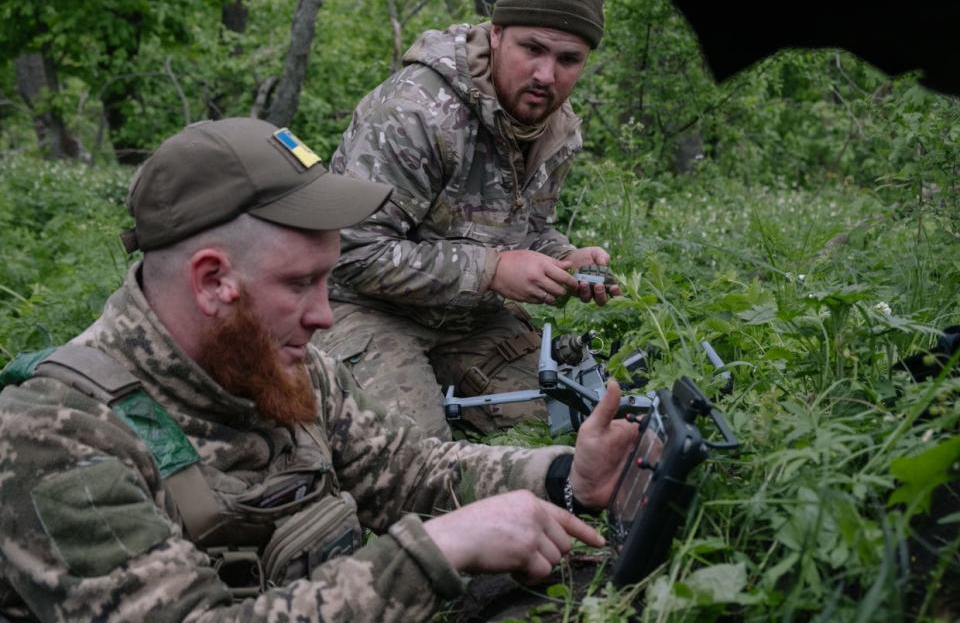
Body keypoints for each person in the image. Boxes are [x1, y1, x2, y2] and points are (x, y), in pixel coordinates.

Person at [0, 118, 638, 622]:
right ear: (213, 280)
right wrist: (433, 553)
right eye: (301, 283)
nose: (324, 314)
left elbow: (405, 472)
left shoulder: (281, 362)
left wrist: (563, 475)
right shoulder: (58, 437)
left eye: (326, 281)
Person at [317, 0, 621, 439]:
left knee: (563, 428)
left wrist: (564, 258)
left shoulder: (555, 127)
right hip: (363, 310)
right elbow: (348, 253)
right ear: (496, 34)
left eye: (568, 59)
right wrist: (491, 271)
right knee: (414, 461)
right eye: (532, 48)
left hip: (467, 317)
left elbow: (527, 227)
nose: (545, 74)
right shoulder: (416, 112)